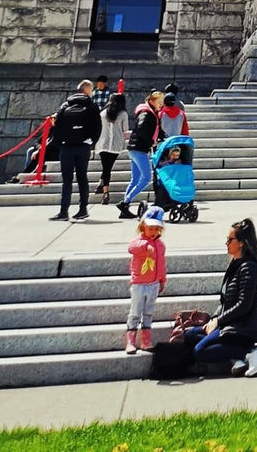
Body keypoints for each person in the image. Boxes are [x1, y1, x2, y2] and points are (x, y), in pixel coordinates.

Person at [183, 219, 257, 377]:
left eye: (230, 240)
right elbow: (224, 300)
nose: (226, 243)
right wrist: (213, 319)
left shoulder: (249, 267)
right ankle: (236, 357)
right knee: (189, 335)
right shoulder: (235, 263)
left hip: (242, 329)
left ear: (241, 243)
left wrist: (218, 321)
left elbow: (244, 305)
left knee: (199, 351)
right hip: (228, 324)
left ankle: (250, 352)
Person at [48, 79, 103, 221]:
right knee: (82, 177)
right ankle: (83, 209)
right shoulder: (92, 105)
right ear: (88, 90)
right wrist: (91, 142)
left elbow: (56, 126)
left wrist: (61, 143)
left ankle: (63, 211)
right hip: (83, 147)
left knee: (67, 180)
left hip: (67, 146)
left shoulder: (65, 105)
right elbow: (98, 126)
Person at [125, 206, 167, 353]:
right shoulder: (139, 241)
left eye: (157, 229)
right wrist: (145, 246)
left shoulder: (160, 245)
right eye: (150, 228)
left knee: (148, 312)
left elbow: (161, 264)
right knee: (135, 312)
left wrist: (162, 279)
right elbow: (131, 247)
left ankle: (146, 340)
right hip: (139, 284)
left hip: (154, 283)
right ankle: (130, 340)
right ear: (143, 227)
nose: (153, 232)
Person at [117, 89, 163, 219]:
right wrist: (151, 142)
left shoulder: (150, 113)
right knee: (146, 178)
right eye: (159, 101)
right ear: (152, 101)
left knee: (135, 179)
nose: (161, 104)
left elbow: (154, 130)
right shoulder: (147, 113)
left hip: (135, 149)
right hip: (139, 149)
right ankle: (125, 202)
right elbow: (142, 129)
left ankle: (124, 209)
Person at [97, 90, 131, 204]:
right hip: (116, 144)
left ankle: (101, 184)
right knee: (108, 167)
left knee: (105, 167)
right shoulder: (123, 114)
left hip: (103, 143)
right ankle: (106, 192)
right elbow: (125, 129)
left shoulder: (103, 113)